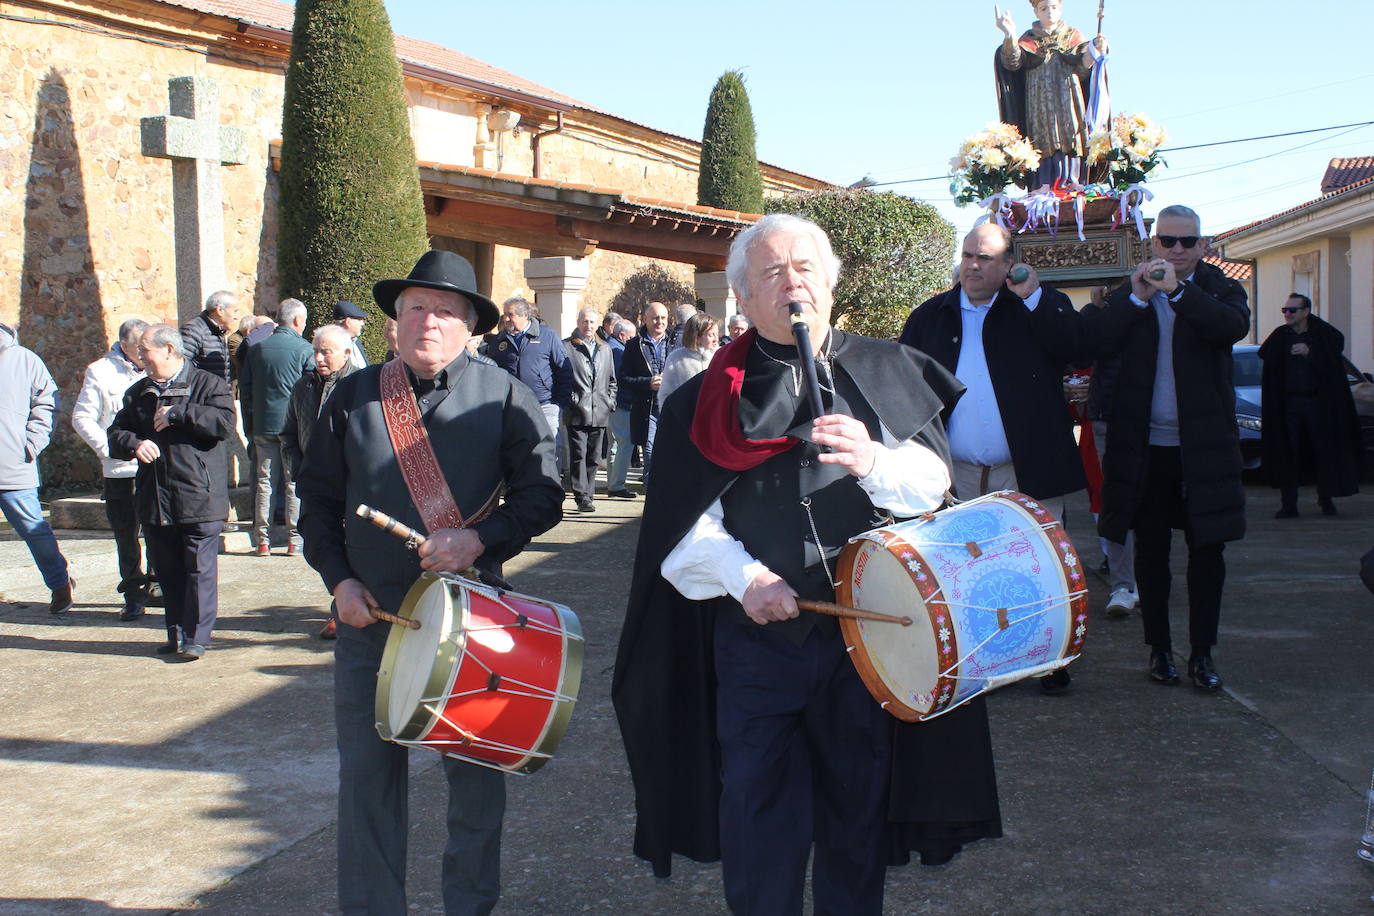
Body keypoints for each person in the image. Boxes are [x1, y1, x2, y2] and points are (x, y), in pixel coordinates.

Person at [613, 215, 1001, 915]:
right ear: (743, 299)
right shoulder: (703, 400)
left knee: (857, 818)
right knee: (759, 817)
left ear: (829, 284)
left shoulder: (888, 368)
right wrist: (746, 579)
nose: (792, 282)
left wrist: (874, 459)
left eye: (804, 268)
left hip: (871, 638)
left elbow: (934, 489)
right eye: (770, 272)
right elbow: (681, 525)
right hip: (758, 642)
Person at [297, 249, 563, 916]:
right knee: (366, 785)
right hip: (370, 622)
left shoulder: (506, 396)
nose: (428, 320)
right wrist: (339, 582)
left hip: (474, 625)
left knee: (475, 788)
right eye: (416, 306)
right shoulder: (353, 397)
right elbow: (318, 503)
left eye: (445, 310)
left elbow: (543, 497)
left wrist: (479, 538)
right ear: (395, 320)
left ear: (471, 324)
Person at [1090, 205, 1249, 691]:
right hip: (1145, 448)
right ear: (1153, 243)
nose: (1176, 250)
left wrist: (1179, 291)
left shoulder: (1220, 287)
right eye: (1167, 241)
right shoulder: (1134, 289)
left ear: (1203, 245)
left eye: (1186, 242)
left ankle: (1202, 654)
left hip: (1203, 448)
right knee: (1151, 553)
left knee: (1207, 552)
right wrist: (1137, 298)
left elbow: (1231, 327)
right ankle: (1160, 650)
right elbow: (1098, 337)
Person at [108, 324, 235, 660]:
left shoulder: (209, 384)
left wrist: (180, 414)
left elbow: (223, 423)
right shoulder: (137, 393)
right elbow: (115, 434)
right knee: (167, 570)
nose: (141, 358)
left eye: (145, 351)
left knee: (198, 571)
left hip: (199, 495)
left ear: (168, 349)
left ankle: (197, 638)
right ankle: (176, 634)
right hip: (156, 499)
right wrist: (134, 443)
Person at [72, 318, 152, 620]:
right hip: (121, 471)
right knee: (126, 535)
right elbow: (82, 418)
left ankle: (158, 586)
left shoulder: (158, 370)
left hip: (154, 468)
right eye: (139, 347)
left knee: (160, 532)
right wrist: (109, 450)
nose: (145, 354)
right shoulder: (100, 371)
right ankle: (133, 592)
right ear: (124, 344)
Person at [281, 323, 357, 640]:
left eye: (326, 351)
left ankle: (342, 612)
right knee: (320, 546)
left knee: (351, 549)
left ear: (347, 353)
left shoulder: (359, 387)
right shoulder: (304, 387)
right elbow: (287, 433)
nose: (318, 358)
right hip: (314, 485)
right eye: (315, 350)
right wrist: (298, 469)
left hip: (351, 486)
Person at [1259, 293, 1362, 518]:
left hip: (1318, 404)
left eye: (1292, 310)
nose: (1287, 314)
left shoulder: (1323, 334)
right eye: (1284, 310)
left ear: (1306, 312)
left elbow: (1333, 355)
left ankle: (1326, 498)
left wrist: (1311, 352)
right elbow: (1266, 355)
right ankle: (1289, 504)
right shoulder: (1281, 336)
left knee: (1323, 449)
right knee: (1288, 451)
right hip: (1289, 403)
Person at [0, 322, 75, 615]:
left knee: (35, 531)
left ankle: (59, 583)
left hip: (13, 465)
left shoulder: (25, 360)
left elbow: (47, 403)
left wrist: (30, 444)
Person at [994, 0, 1107, 187]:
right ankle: (1042, 186)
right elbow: (1012, 62)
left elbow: (1084, 69)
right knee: (1040, 140)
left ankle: (1073, 182)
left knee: (1071, 135)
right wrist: (1009, 34)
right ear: (1036, 11)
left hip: (1068, 97)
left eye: (1053, 7)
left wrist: (1096, 51)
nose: (1049, 12)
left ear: (1060, 9)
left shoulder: (1073, 36)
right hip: (1038, 100)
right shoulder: (1028, 40)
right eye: (1044, 8)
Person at [1078, 286, 1138, 617]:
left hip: (1146, 418)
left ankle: (1139, 580)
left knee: (1146, 503)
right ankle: (1122, 584)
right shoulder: (1103, 322)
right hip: (1105, 417)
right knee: (1112, 501)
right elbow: (1084, 348)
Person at [240, 298, 314, 557]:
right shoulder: (304, 349)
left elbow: (245, 389)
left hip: (263, 423)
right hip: (293, 426)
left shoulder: (257, 349)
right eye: (303, 321)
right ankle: (294, 540)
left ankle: (262, 540)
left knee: (264, 482)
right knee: (293, 482)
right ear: (296, 321)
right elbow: (312, 390)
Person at [488, 296, 571, 442]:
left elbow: (564, 369)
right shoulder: (499, 340)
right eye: (505, 314)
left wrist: (559, 402)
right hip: (512, 406)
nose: (506, 319)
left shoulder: (547, 335)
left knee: (549, 448)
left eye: (511, 315)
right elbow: (492, 372)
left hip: (545, 404)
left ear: (525, 315)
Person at [563, 306, 617, 512]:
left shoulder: (605, 348)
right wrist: (572, 400)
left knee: (594, 457)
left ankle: (589, 493)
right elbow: (563, 378)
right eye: (585, 321)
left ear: (598, 325)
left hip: (600, 409)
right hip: (578, 410)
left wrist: (610, 401)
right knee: (579, 454)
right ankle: (581, 496)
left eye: (592, 322)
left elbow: (612, 380)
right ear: (578, 323)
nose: (588, 326)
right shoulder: (567, 346)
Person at [618, 301, 670, 486]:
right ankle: (651, 495)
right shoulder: (634, 345)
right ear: (645, 319)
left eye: (663, 318)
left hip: (671, 406)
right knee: (650, 452)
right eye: (655, 317)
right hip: (647, 408)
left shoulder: (675, 343)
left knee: (669, 453)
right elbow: (623, 379)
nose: (659, 322)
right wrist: (647, 383)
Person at [606, 318, 638, 500]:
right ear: (622, 335)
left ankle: (613, 483)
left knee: (615, 444)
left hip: (611, 403)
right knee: (625, 443)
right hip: (621, 403)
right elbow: (620, 380)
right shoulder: (619, 351)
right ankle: (617, 485)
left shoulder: (609, 347)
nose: (633, 340)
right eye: (631, 336)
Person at [658, 312, 720, 404]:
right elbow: (665, 395)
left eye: (717, 334)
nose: (716, 339)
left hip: (715, 415)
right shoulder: (676, 358)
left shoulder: (721, 356)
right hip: (686, 416)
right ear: (697, 337)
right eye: (711, 335)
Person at [179, 289, 239, 385]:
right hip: (202, 397)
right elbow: (180, 368)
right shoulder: (194, 330)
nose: (236, 317)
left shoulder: (219, 332)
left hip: (217, 396)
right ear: (220, 310)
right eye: (235, 311)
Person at [334, 300, 369, 371]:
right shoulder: (332, 347)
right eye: (359, 320)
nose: (362, 323)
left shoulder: (357, 343)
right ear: (348, 322)